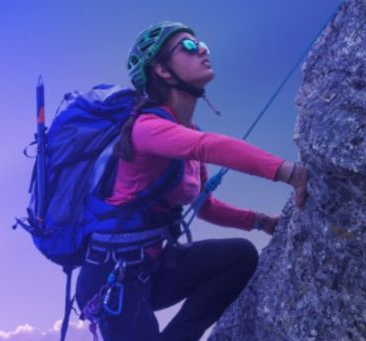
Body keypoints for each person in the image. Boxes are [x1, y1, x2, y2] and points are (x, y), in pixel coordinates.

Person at [75, 21, 308, 340]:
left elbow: (205, 206)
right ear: (162, 70)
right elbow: (210, 147)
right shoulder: (147, 129)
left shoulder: (187, 133)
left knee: (239, 257)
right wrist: (290, 173)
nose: (201, 49)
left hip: (153, 267)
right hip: (112, 277)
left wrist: (261, 221)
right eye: (187, 46)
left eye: (202, 45)